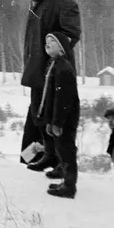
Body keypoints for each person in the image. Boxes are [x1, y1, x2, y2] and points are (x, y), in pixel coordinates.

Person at [19, 0, 82, 173]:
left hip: (54, 71)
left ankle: (62, 162)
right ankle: (48, 154)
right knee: (40, 112)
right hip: (38, 67)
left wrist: (53, 55)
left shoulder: (64, 1)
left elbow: (71, 34)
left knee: (57, 115)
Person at [38, 32, 80, 199]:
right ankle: (65, 181)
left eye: (51, 42)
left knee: (67, 150)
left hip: (65, 119)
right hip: (58, 118)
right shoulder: (54, 65)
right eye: (46, 41)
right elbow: (51, 97)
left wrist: (57, 122)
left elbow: (63, 99)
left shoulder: (63, 68)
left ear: (61, 47)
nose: (47, 44)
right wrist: (50, 120)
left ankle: (69, 187)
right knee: (62, 149)